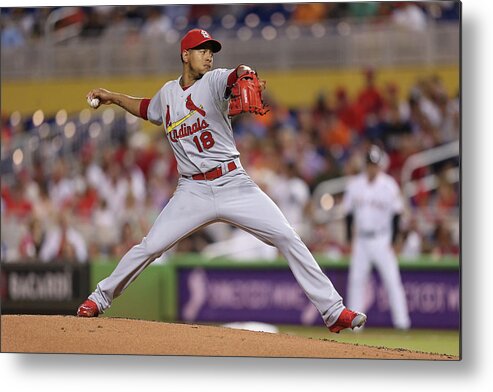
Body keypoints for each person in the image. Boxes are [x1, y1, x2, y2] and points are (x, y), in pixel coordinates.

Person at [77, 28, 366, 333]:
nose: (209, 55)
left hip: (233, 182)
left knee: (286, 236)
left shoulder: (214, 81)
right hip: (192, 190)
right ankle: (99, 298)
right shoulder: (168, 94)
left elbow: (235, 75)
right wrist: (112, 97)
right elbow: (146, 108)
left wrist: (245, 72)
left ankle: (333, 311)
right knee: (150, 247)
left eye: (211, 50)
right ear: (185, 55)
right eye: (202, 50)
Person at [342, 145, 411, 330]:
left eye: (375, 164)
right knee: (356, 281)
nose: (372, 168)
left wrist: (395, 241)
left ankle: (402, 324)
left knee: (392, 281)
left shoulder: (389, 185)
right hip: (361, 241)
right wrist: (349, 239)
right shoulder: (355, 184)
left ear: (380, 165)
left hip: (382, 240)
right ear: (365, 165)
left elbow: (397, 215)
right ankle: (355, 327)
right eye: (369, 164)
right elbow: (348, 214)